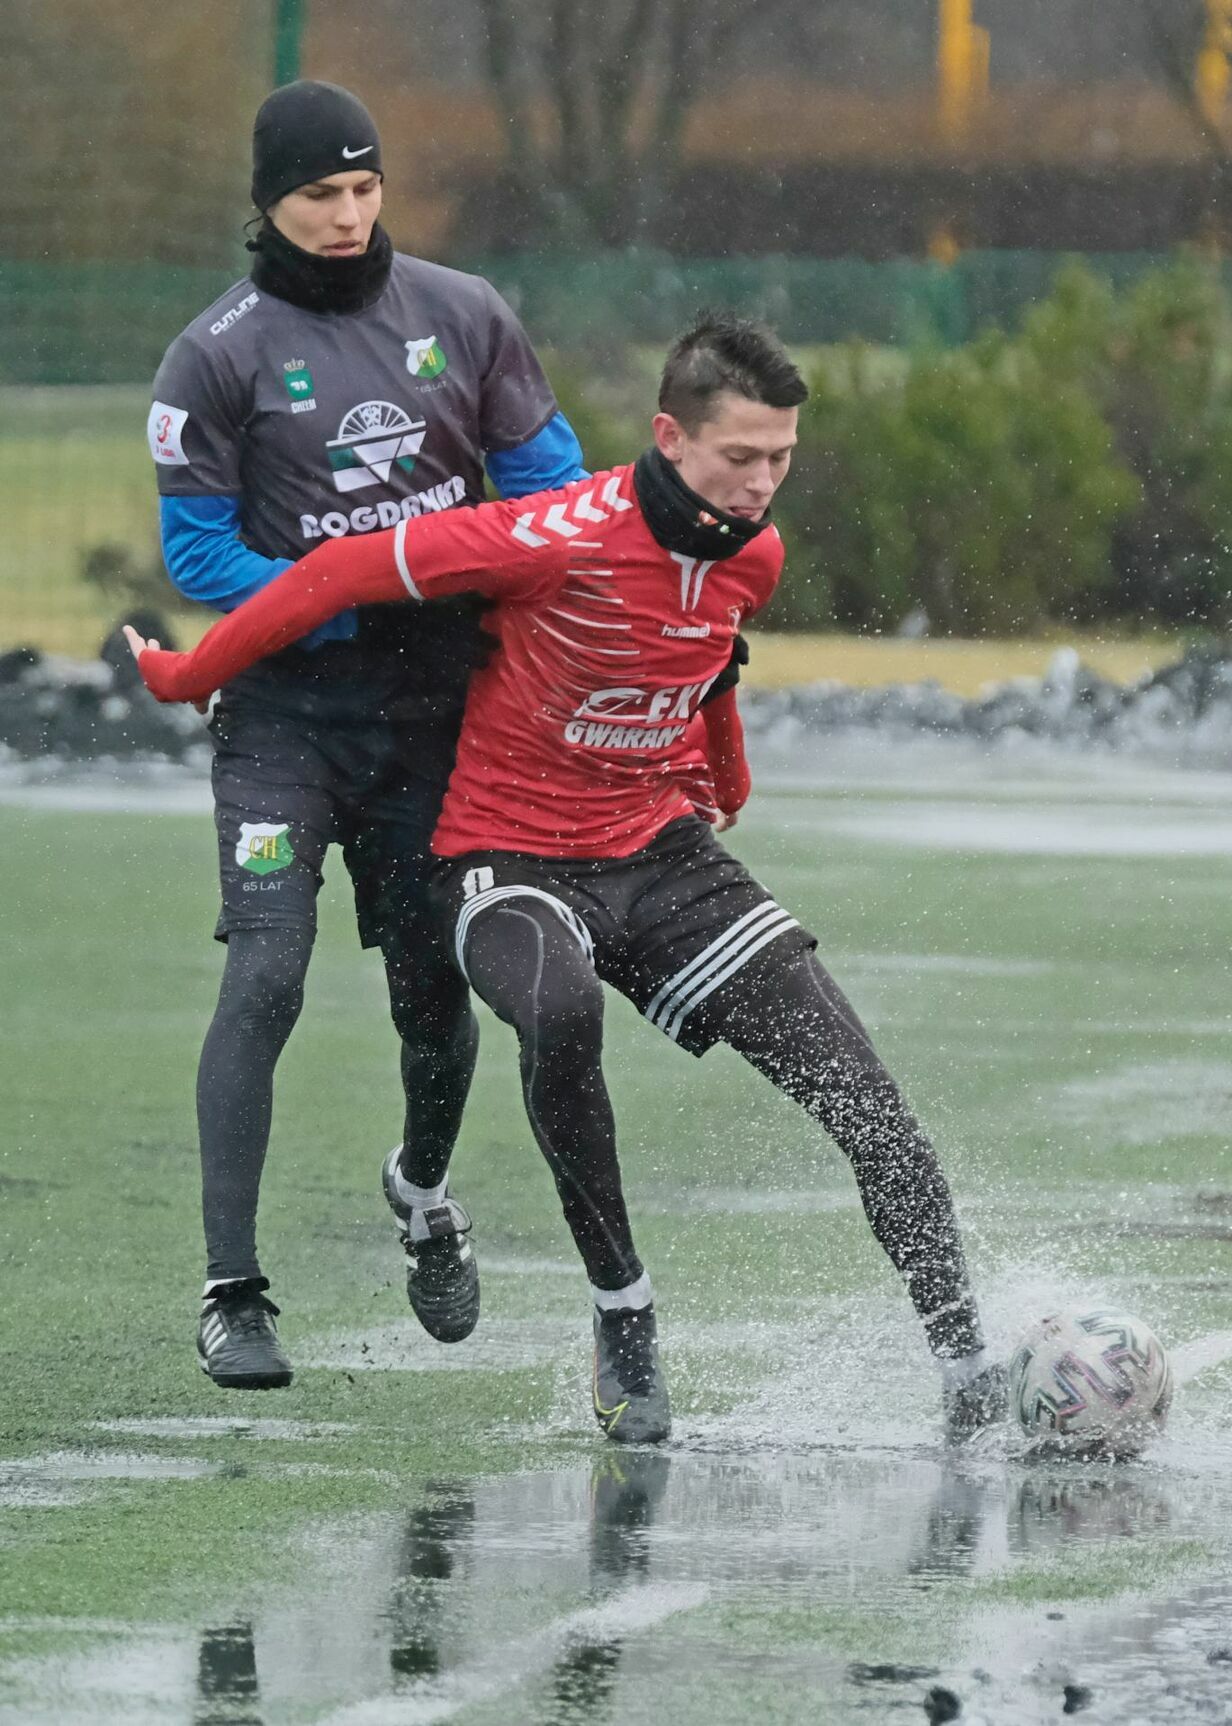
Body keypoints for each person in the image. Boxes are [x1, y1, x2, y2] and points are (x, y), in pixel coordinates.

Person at [131, 316, 1007, 1445]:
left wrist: (725, 777)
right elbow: (346, 567)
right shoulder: (554, 533)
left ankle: (971, 1371)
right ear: (669, 436)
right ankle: (623, 1315)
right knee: (558, 1008)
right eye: (740, 456)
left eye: (782, 457)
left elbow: (706, 659)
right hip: (508, 859)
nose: (761, 483)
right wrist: (185, 672)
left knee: (870, 1107)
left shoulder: (756, 553)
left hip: (659, 850)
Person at [147, 80, 585, 1390]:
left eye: (362, 189)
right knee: (266, 977)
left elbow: (552, 495)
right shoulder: (214, 353)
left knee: (434, 997)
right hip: (286, 719)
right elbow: (196, 547)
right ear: (266, 204)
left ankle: (422, 1190)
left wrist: (477, 588)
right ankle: (233, 1291)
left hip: (439, 720)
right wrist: (342, 597)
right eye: (316, 196)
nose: (346, 217)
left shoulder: (467, 314)